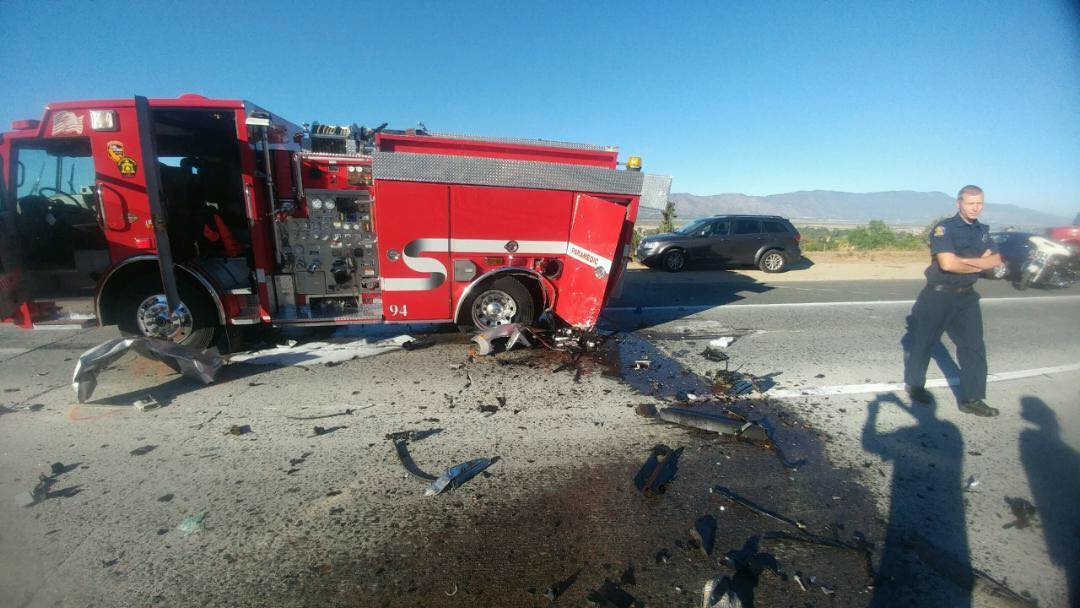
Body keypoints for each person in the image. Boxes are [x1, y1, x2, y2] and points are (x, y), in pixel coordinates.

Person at [903, 185, 1003, 416]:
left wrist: (964, 261)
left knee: (974, 347)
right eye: (971, 203)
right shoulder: (944, 229)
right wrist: (980, 261)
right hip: (938, 294)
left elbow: (996, 260)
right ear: (959, 203)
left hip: (967, 295)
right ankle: (915, 385)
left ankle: (972, 399)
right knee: (924, 342)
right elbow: (947, 264)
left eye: (979, 203)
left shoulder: (983, 231)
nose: (975, 208)